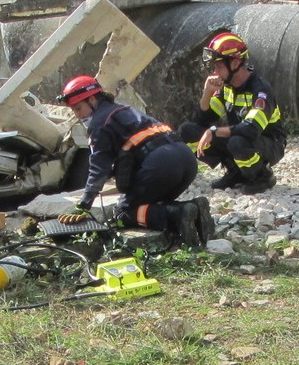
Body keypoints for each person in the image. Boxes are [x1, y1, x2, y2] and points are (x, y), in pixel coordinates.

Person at [57, 74, 212, 247]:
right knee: (151, 203)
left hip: (161, 165)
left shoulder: (99, 124)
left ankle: (179, 214)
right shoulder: (123, 109)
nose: (77, 115)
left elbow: (98, 168)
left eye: (78, 108)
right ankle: (195, 209)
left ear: (92, 100)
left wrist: (84, 205)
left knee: (124, 212)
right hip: (186, 160)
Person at [179, 31, 286, 194]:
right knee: (187, 131)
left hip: (269, 142)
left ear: (235, 62)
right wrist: (207, 93)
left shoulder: (260, 90)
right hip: (239, 136)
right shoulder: (227, 87)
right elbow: (201, 120)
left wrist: (214, 132)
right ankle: (236, 171)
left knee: (237, 142)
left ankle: (262, 175)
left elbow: (251, 129)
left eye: (219, 66)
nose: (215, 72)